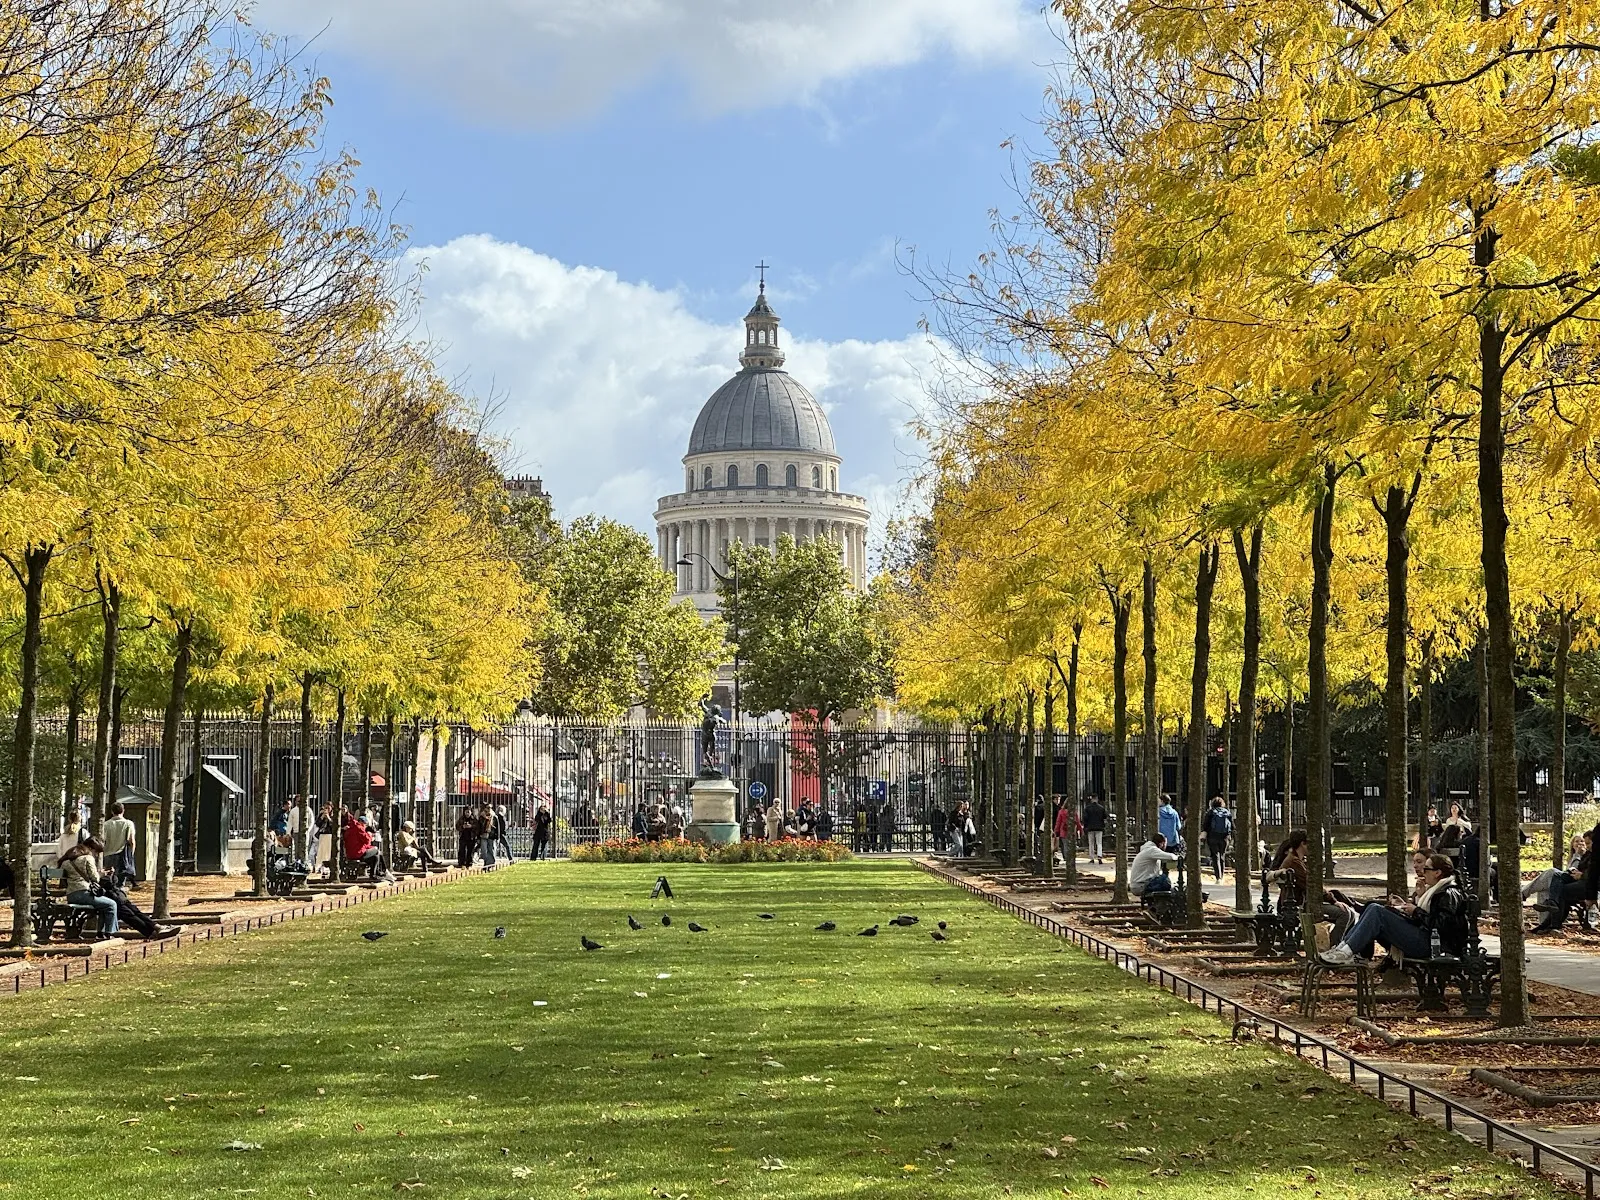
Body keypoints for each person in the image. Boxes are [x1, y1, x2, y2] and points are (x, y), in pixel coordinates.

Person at [1320, 854, 1466, 964]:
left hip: (1434, 945)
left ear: (1437, 873)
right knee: (1372, 907)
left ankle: (1346, 952)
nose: (1422, 871)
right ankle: (1343, 948)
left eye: (1426, 868)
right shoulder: (1434, 890)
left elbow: (1440, 925)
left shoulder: (1447, 893)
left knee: (1377, 912)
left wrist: (1415, 911)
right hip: (1427, 938)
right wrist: (1410, 905)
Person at [58, 839, 118, 938]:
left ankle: (102, 933)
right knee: (111, 904)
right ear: (91, 848)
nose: (96, 855)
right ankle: (109, 932)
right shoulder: (87, 858)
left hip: (71, 895)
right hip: (84, 894)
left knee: (104, 905)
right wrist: (103, 873)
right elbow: (95, 878)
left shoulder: (66, 861)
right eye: (96, 852)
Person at [1526, 835, 1588, 907]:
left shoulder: (1586, 855)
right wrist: (1576, 855)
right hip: (1566, 881)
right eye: (1576, 841)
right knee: (1544, 890)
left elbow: (1572, 870)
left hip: (1576, 883)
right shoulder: (1572, 857)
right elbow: (1569, 870)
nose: (1579, 843)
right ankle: (1545, 916)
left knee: (1552, 872)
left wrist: (1578, 854)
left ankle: (1523, 893)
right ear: (1572, 845)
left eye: (1582, 841)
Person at [343, 810, 392, 881]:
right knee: (376, 850)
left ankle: (378, 873)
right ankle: (381, 872)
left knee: (375, 857)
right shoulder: (359, 828)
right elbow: (367, 840)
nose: (365, 827)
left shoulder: (350, 828)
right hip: (358, 853)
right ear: (363, 823)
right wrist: (370, 835)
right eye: (365, 825)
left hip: (350, 853)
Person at [101, 801, 138, 888]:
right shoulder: (128, 823)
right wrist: (131, 854)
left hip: (108, 855)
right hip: (122, 856)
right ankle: (119, 898)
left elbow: (103, 840)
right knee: (120, 883)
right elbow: (131, 840)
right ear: (123, 810)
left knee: (109, 882)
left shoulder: (106, 824)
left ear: (112, 811)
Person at [1201, 796, 1233, 882]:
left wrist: (1204, 834)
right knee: (1222, 855)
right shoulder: (1227, 812)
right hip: (1224, 837)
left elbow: (1205, 825)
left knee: (1215, 856)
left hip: (1212, 836)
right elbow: (1232, 826)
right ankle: (1222, 876)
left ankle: (1218, 876)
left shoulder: (1210, 812)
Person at [1082, 794, 1108, 864]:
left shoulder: (1087, 808)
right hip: (1099, 827)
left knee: (1091, 843)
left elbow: (1085, 818)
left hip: (1090, 828)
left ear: (1091, 799)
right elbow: (1105, 817)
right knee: (1099, 843)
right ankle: (1099, 855)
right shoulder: (1101, 808)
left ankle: (1092, 857)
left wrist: (1085, 826)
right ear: (1097, 799)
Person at [1053, 798, 1076, 864]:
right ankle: (1071, 857)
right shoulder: (1073, 811)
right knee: (1072, 845)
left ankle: (1066, 857)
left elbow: (1058, 822)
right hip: (1072, 831)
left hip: (1063, 830)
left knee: (1065, 845)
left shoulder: (1061, 811)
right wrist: (1080, 830)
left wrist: (1056, 830)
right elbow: (1077, 821)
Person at [476, 803, 498, 868]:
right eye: (488, 807)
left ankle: (491, 864)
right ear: (485, 808)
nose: (489, 809)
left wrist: (497, 836)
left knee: (491, 849)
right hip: (483, 835)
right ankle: (486, 863)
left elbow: (497, 827)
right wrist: (478, 837)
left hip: (491, 835)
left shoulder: (494, 817)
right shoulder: (481, 817)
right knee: (484, 850)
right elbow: (479, 827)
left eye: (490, 808)